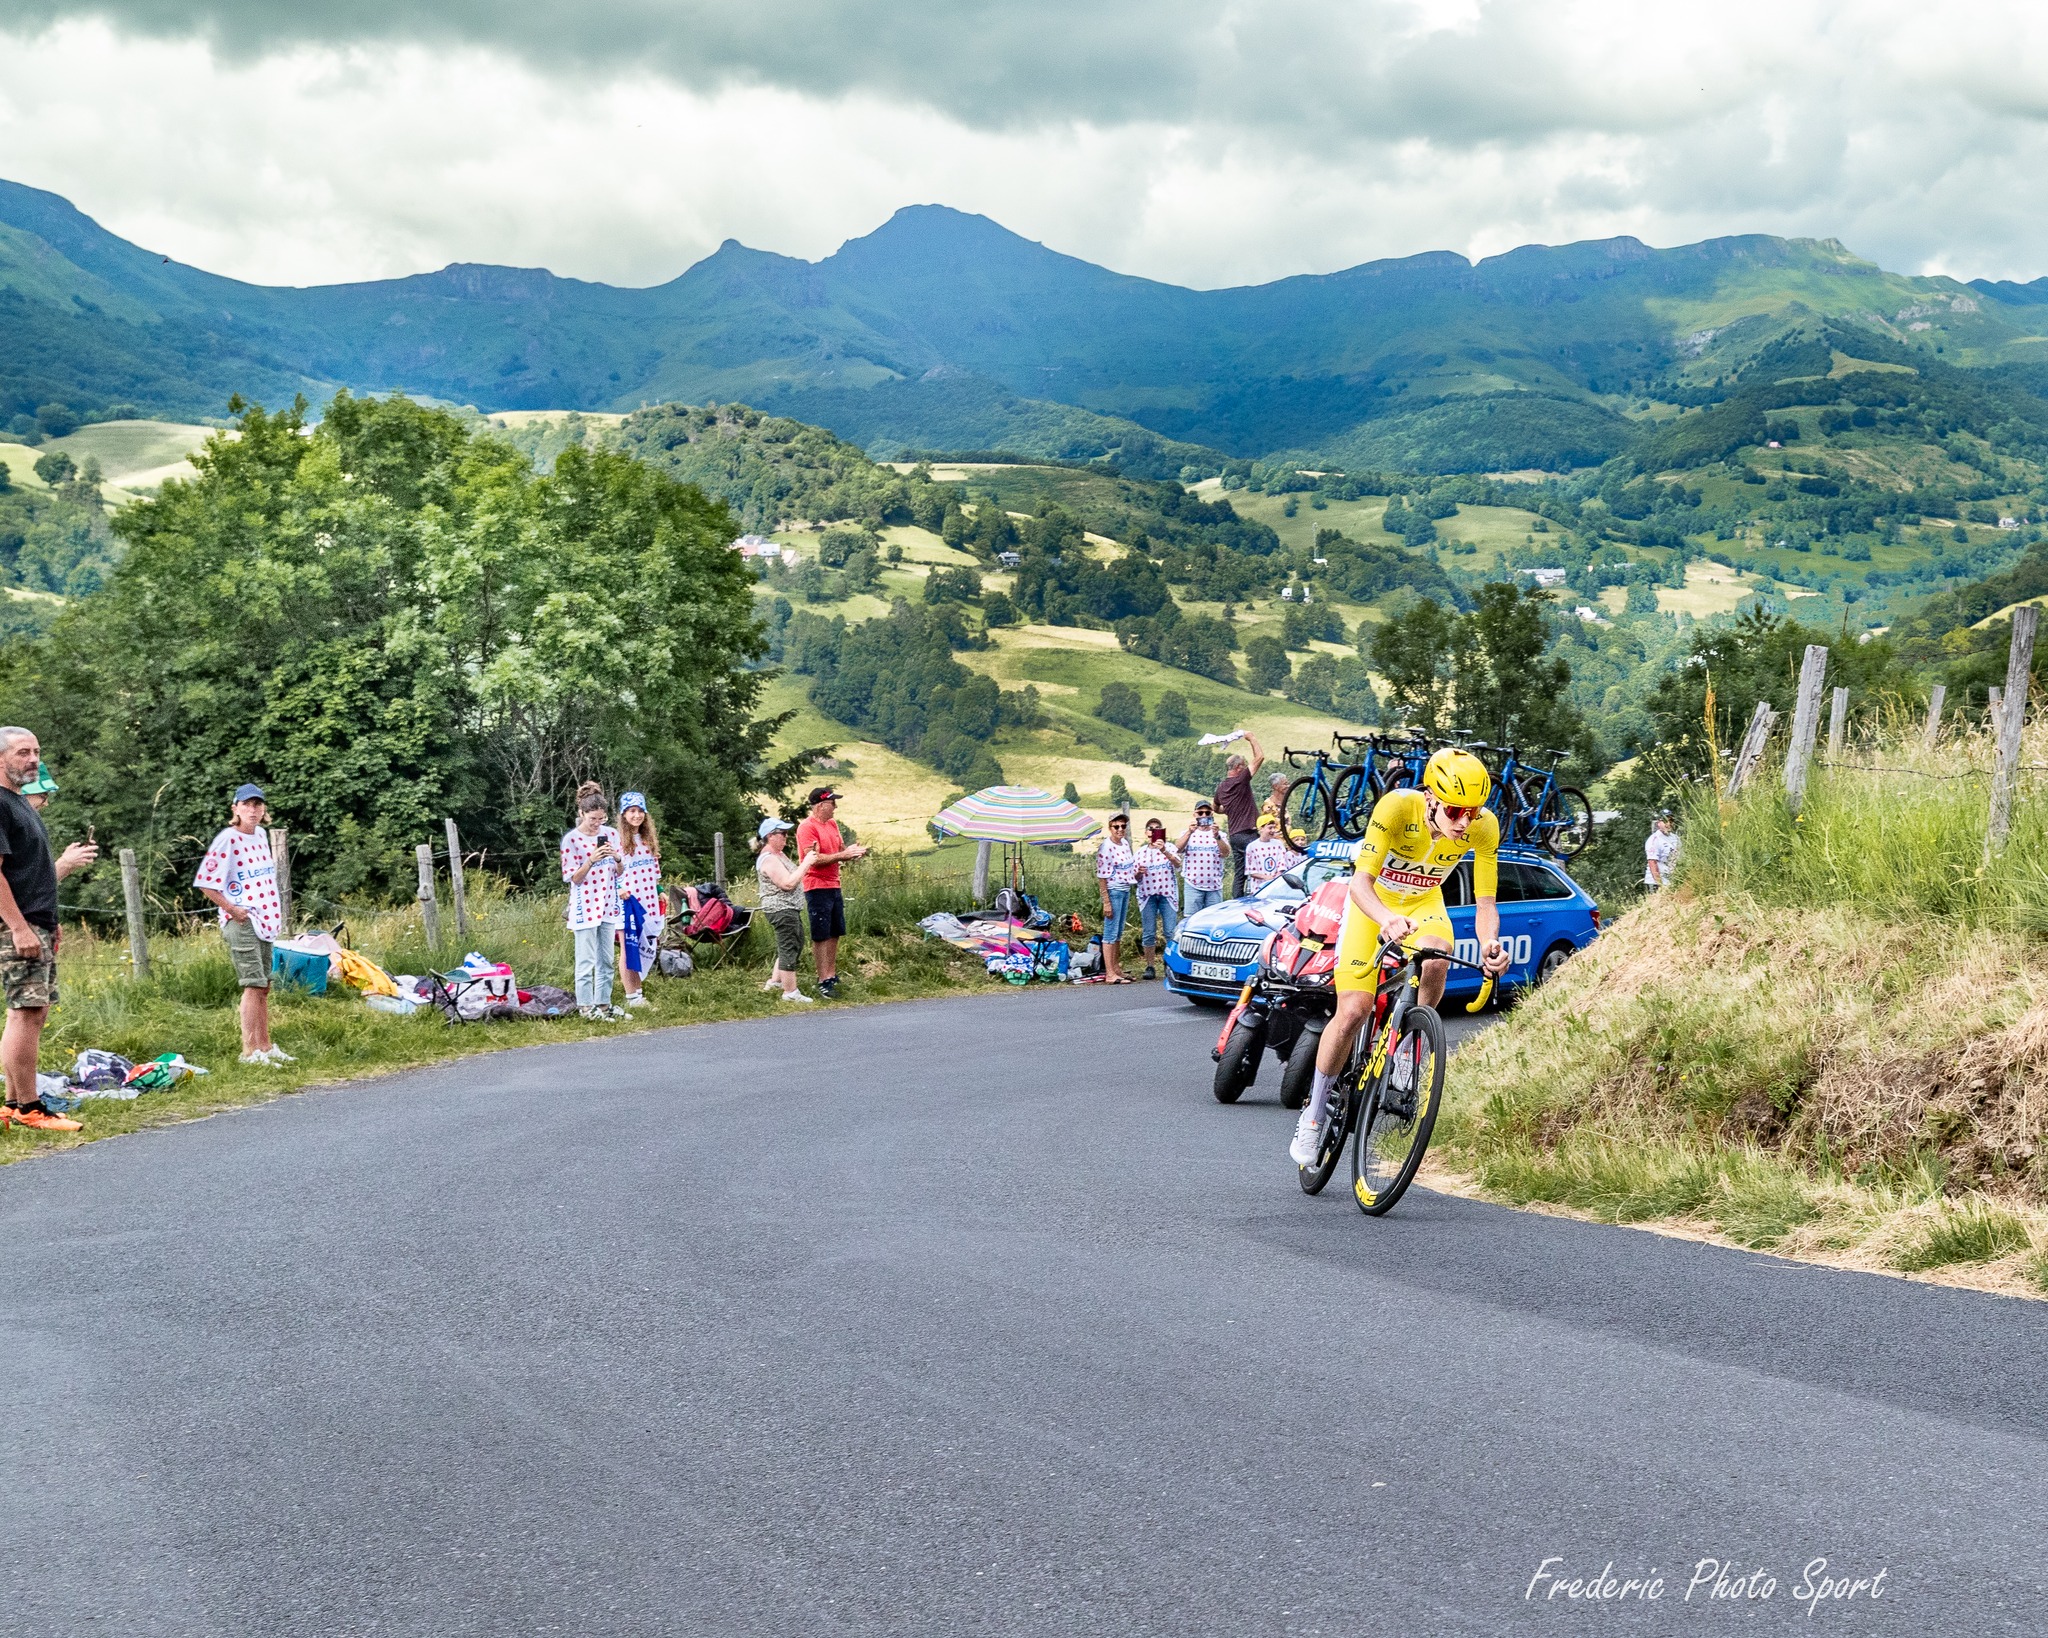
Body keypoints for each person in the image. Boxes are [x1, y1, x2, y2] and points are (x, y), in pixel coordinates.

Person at [1288, 749, 1511, 1167]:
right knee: (1354, 1009)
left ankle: (1409, 1049)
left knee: (1438, 958)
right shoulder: (1396, 807)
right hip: (1374, 906)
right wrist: (1386, 919)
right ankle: (1315, 1111)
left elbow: (1485, 903)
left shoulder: (1483, 828)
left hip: (1424, 903)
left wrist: (1489, 944)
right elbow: (1359, 884)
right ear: (1430, 798)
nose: (1465, 821)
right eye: (1456, 810)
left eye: (1474, 811)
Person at [0, 729, 94, 1130]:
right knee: (27, 1012)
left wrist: (46, 925)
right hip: (16, 927)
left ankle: (11, 1104)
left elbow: (32, 875)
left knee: (28, 1014)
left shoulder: (18, 804)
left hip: (36, 923)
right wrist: (20, 929)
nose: (33, 759)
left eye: (36, 751)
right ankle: (30, 1109)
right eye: (23, 752)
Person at [194, 783, 292, 1067]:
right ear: (235, 808)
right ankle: (250, 1051)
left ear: (264, 810)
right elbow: (206, 882)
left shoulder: (261, 835)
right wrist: (233, 910)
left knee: (264, 986)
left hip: (264, 920)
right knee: (252, 984)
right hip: (243, 920)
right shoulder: (228, 839)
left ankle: (266, 1045)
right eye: (246, 805)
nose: (253, 810)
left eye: (258, 805)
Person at [560, 782, 626, 1021]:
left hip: (608, 904)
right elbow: (573, 878)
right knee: (586, 960)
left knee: (606, 959)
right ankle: (585, 1007)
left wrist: (616, 857)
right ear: (582, 814)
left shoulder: (611, 835)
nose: (597, 823)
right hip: (584, 906)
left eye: (601, 818)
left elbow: (620, 872)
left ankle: (604, 1003)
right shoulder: (571, 840)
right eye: (593, 819)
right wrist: (590, 860)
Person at [795, 787, 867, 1000]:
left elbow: (840, 849)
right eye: (832, 803)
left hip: (834, 883)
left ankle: (831, 974)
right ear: (820, 805)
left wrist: (852, 852)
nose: (835, 807)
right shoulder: (806, 828)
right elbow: (813, 858)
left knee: (835, 931)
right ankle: (822, 979)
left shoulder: (833, 824)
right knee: (821, 934)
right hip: (816, 885)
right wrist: (843, 855)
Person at [753, 817, 821, 1003]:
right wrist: (807, 863)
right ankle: (790, 992)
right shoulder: (769, 859)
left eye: (786, 833)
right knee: (789, 947)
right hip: (781, 909)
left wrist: (809, 859)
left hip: (789, 908)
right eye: (782, 833)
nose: (786, 837)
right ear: (770, 836)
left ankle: (776, 981)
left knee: (794, 942)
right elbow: (788, 883)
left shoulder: (778, 855)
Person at [614, 792, 665, 1009]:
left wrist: (659, 889)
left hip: (648, 900)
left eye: (640, 811)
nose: (636, 816)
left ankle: (639, 992)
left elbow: (653, 871)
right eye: (632, 811)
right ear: (624, 814)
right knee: (629, 946)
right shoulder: (616, 841)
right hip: (628, 901)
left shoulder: (647, 840)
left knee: (644, 944)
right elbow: (610, 872)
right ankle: (631, 995)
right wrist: (619, 888)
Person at [1211, 732, 1265, 897]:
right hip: (1249, 832)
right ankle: (1260, 897)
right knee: (1261, 867)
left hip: (1234, 835)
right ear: (1238, 768)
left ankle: (1237, 902)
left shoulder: (1221, 787)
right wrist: (1252, 738)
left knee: (1240, 872)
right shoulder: (1241, 779)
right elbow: (1260, 757)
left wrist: (1228, 810)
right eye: (1244, 765)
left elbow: (1215, 807)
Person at [1131, 818, 1181, 981]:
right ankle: (1150, 966)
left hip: (1167, 894)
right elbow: (1134, 878)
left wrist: (1164, 850)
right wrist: (1139, 872)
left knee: (1170, 931)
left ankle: (1171, 965)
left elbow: (1178, 864)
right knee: (1148, 932)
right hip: (1147, 895)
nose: (1153, 831)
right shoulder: (1140, 852)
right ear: (1146, 833)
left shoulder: (1170, 847)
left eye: (1157, 828)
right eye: (1151, 829)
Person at [1094, 811, 1137, 983]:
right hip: (1114, 890)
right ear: (1110, 827)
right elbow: (1102, 876)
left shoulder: (1125, 843)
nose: (1120, 829)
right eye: (1116, 826)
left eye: (1123, 826)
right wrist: (1106, 901)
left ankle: (1116, 967)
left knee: (1118, 931)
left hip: (1125, 888)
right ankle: (1109, 973)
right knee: (1110, 932)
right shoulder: (1106, 847)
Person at [1178, 799, 1228, 919]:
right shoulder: (1187, 833)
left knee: (1214, 920)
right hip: (1193, 884)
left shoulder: (1220, 834)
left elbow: (1226, 853)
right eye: (1200, 813)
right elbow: (1178, 849)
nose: (1204, 815)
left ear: (1212, 814)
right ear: (1194, 815)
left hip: (1214, 885)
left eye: (1207, 813)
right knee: (1191, 920)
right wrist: (1189, 832)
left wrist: (1217, 836)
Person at [1243, 808, 1304, 891]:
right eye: (1270, 828)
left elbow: (1282, 863)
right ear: (1261, 828)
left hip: (1275, 886)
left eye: (1274, 828)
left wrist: (1276, 877)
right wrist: (1266, 877)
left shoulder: (1278, 844)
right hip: (1258, 888)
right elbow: (1251, 870)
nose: (1273, 830)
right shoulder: (1252, 847)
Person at [1644, 810, 1680, 890]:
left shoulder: (1675, 838)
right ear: (1659, 823)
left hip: (1671, 880)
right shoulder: (1654, 839)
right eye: (1665, 821)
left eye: (1671, 821)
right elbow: (1652, 862)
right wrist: (1660, 884)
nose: (1668, 824)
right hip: (1655, 883)